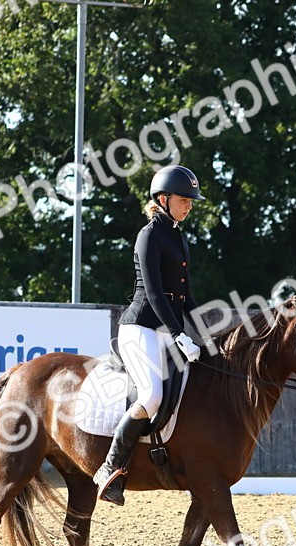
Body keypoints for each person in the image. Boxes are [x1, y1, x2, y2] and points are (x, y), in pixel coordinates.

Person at [93, 164, 206, 506]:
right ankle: (110, 468)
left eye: (191, 200)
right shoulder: (149, 235)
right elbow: (155, 294)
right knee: (152, 395)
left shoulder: (177, 235)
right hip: (139, 328)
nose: (189, 205)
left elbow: (184, 297)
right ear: (163, 198)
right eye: (184, 199)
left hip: (165, 331)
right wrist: (178, 334)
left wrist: (203, 333)